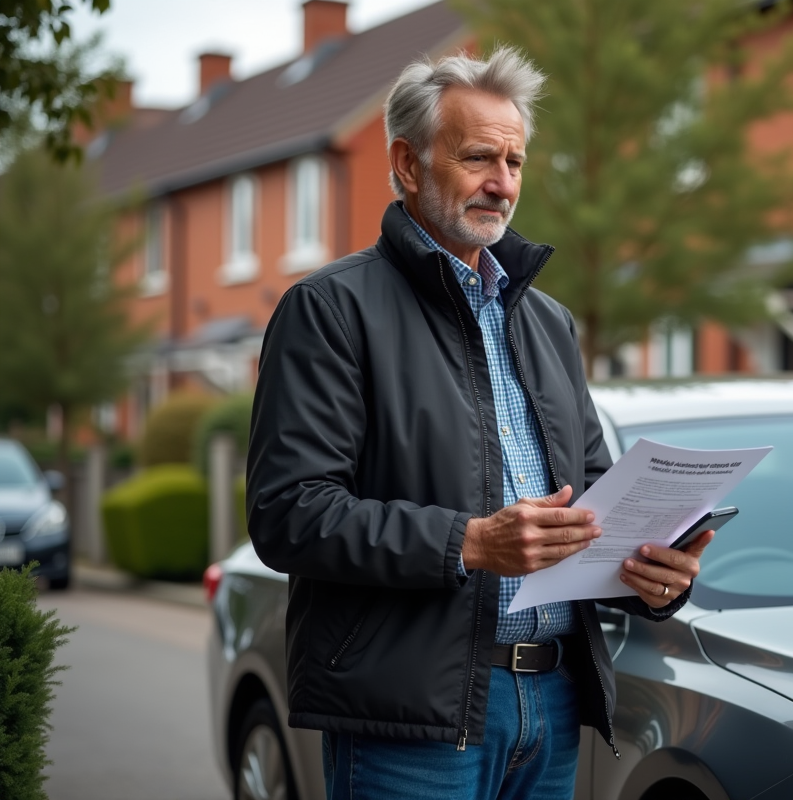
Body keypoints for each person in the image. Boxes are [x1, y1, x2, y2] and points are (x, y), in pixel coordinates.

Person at [246, 46, 714, 800]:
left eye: (516, 161)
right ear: (407, 164)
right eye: (478, 158)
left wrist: (652, 578)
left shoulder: (549, 322)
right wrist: (468, 542)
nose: (503, 183)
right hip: (412, 721)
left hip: (554, 708)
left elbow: (592, 498)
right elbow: (288, 514)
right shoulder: (330, 310)